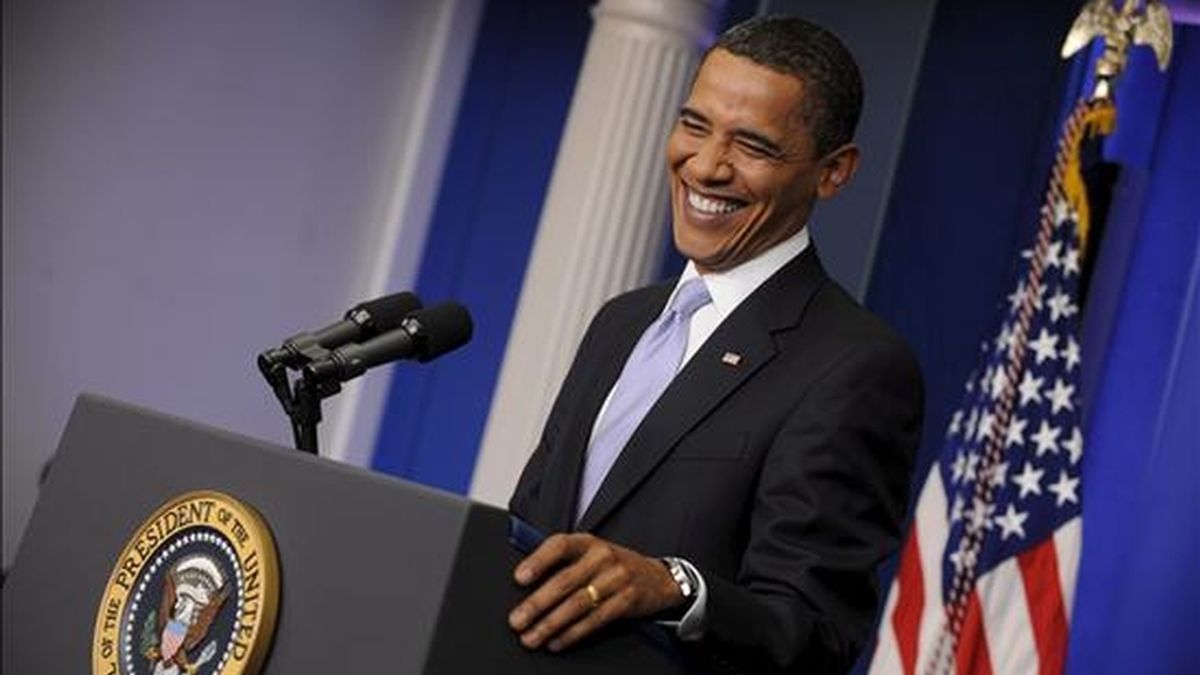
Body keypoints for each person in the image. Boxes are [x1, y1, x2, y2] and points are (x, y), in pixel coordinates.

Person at [507, 15, 923, 674]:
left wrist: (674, 585)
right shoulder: (622, 320)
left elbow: (815, 630)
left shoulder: (855, 366)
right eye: (694, 126)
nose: (705, 165)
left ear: (833, 172)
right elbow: (527, 532)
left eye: (752, 145)